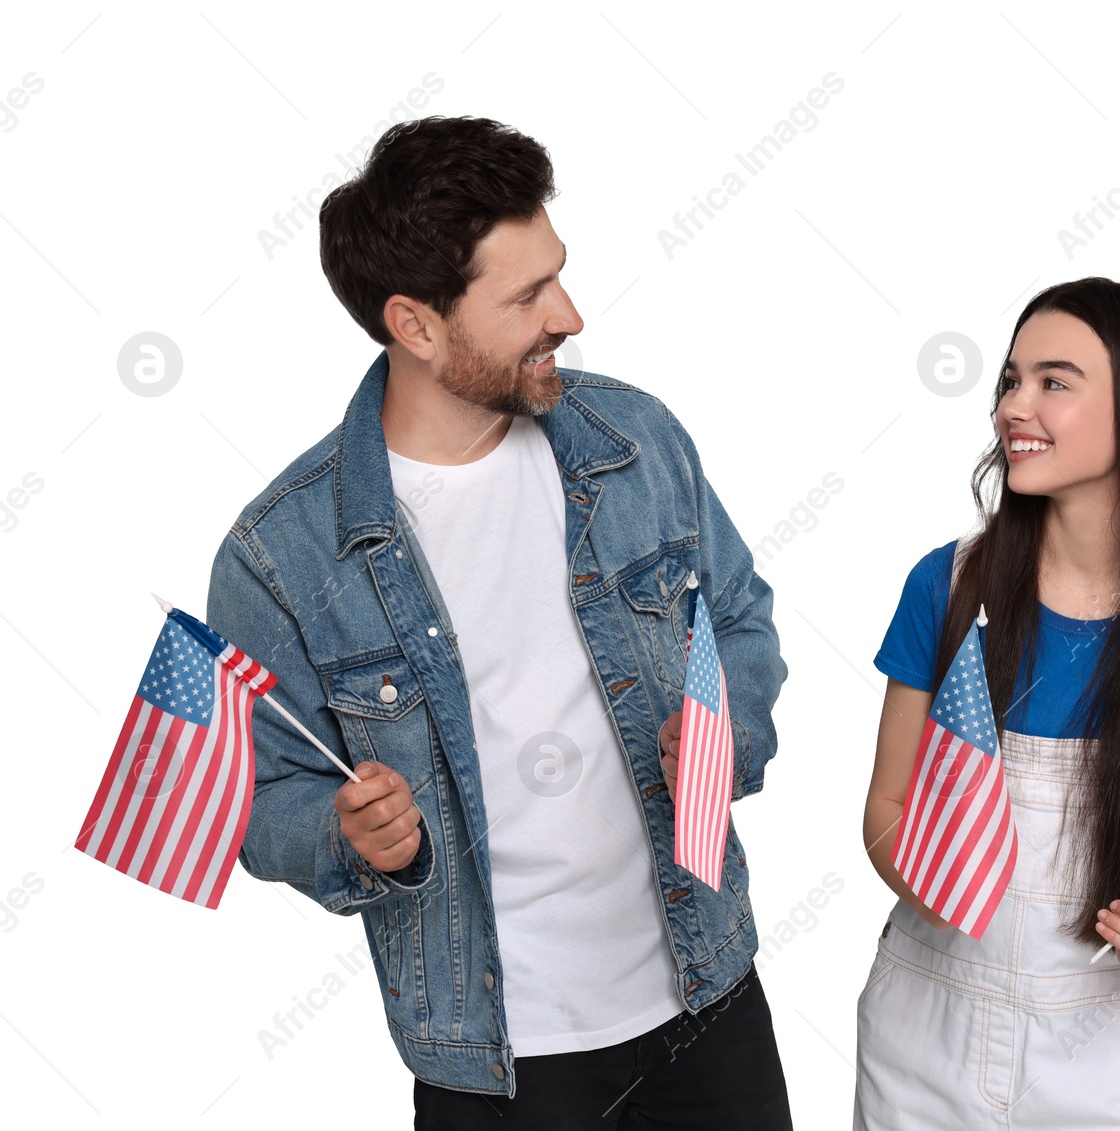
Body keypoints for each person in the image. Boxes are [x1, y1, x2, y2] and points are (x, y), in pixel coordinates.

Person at [205, 116, 793, 1129]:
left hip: (707, 999)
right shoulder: (280, 553)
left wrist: (722, 726)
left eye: (555, 275)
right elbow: (256, 794)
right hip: (497, 1063)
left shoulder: (633, 440)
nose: (568, 313)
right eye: (525, 297)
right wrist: (346, 835)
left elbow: (737, 618)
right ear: (418, 325)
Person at [854, 278, 1120, 1129]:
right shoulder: (946, 589)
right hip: (931, 1035)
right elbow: (887, 808)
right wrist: (933, 874)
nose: (1015, 404)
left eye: (1054, 381)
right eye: (1011, 380)